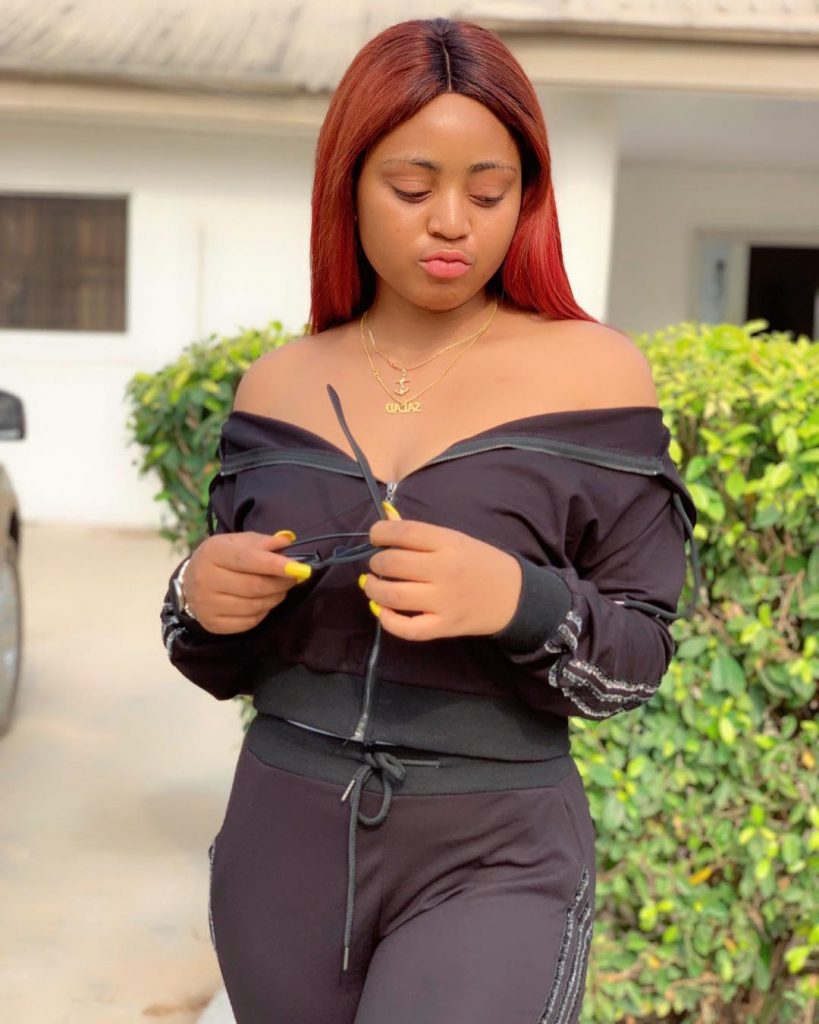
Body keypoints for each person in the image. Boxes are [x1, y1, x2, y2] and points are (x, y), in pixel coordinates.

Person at [160, 17, 698, 1024]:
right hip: (282, 841)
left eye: (488, 193)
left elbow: (638, 658)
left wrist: (517, 599)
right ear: (347, 186)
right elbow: (219, 658)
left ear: (525, 197)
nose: (452, 221)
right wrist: (199, 595)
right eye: (412, 188)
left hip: (496, 848)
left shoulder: (594, 372)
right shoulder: (276, 383)